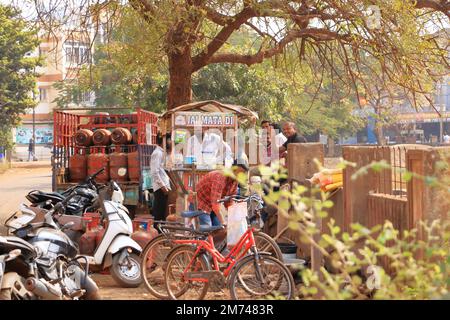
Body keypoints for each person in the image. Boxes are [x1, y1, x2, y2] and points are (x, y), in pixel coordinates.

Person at [189, 159, 249, 227]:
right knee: (207, 231)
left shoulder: (234, 181)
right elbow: (216, 205)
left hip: (211, 205)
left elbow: (229, 202)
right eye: (240, 172)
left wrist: (236, 219)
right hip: (200, 203)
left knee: (219, 229)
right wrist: (223, 222)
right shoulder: (220, 177)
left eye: (243, 173)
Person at [150, 133, 171, 226]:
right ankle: (156, 232)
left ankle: (159, 232)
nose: (170, 142)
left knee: (161, 211)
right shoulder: (157, 153)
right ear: (164, 141)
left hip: (163, 186)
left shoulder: (162, 152)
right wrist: (163, 187)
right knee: (158, 212)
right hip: (160, 188)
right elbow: (155, 172)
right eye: (169, 140)